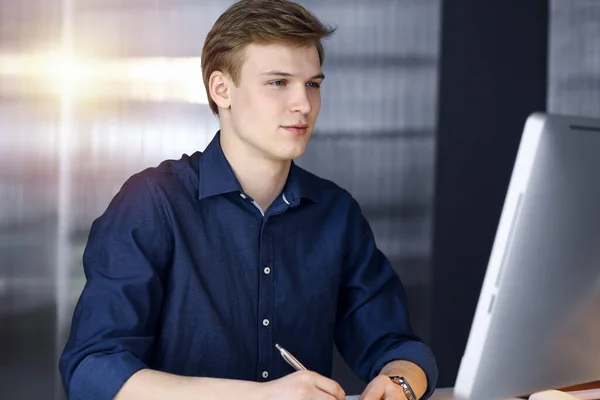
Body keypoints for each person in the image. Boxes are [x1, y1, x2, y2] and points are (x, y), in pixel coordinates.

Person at [59, 1, 438, 399]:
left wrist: (400, 382)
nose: (304, 105)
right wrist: (260, 396)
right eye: (278, 83)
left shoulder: (336, 213)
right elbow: (93, 369)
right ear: (221, 89)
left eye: (313, 84)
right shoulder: (152, 202)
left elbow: (395, 344)